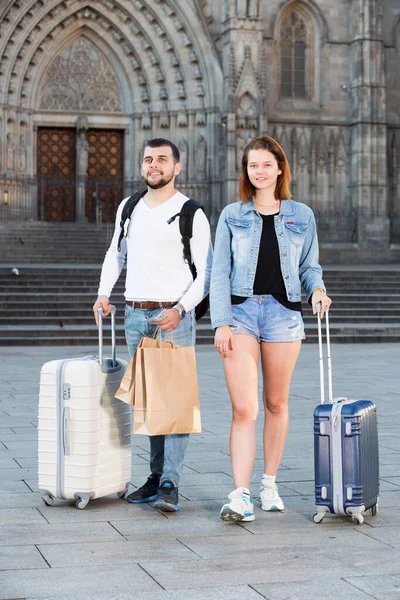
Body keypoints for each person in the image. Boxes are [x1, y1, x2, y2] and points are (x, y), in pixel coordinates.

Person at [210, 135, 332, 522]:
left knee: (276, 404)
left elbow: (309, 266)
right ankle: (240, 495)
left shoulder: (302, 215)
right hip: (241, 315)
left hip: (284, 315)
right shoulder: (231, 215)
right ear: (245, 171)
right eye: (252, 165)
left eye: (266, 164)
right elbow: (218, 274)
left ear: (280, 167)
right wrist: (221, 322)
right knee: (244, 408)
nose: (259, 171)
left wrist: (318, 290)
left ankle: (269, 484)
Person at [93, 138, 212, 512]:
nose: (154, 165)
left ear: (177, 167)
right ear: (142, 167)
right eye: (148, 159)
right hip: (134, 315)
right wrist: (103, 294)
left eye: (162, 159)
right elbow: (116, 253)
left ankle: (170, 483)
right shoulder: (129, 207)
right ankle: (155, 475)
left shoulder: (191, 212)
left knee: (174, 403)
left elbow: (206, 273)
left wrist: (181, 309)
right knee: (149, 403)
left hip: (170, 317)